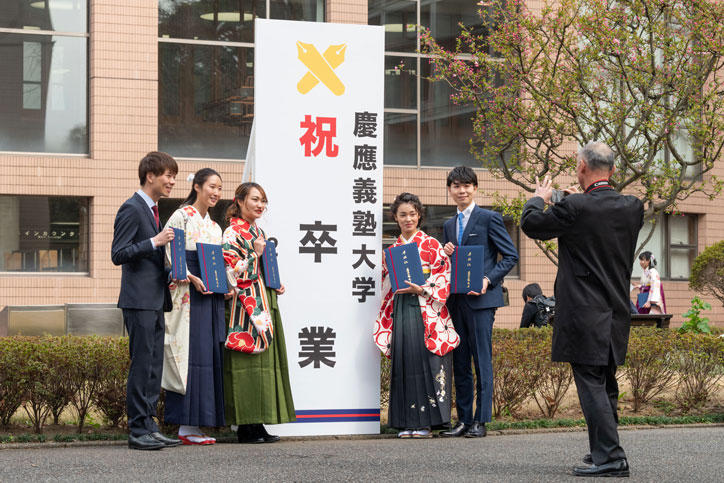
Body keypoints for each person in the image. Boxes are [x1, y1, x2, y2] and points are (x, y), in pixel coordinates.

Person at [520, 141, 643, 477]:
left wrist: (540, 197)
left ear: (581, 167)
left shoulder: (575, 206)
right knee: (605, 383)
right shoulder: (633, 207)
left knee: (590, 383)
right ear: (613, 170)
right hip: (616, 310)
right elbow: (597, 217)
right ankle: (603, 450)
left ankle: (611, 458)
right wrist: (573, 200)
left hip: (584, 311)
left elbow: (531, 224)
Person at [441, 166, 519, 438]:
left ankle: (481, 420)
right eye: (456, 186)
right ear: (450, 190)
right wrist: (446, 253)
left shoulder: (489, 218)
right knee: (460, 361)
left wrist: (487, 280)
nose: (461, 191)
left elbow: (510, 256)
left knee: (481, 360)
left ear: (475, 188)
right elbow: (450, 265)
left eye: (466, 185)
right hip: (456, 301)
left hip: (482, 301)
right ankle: (463, 419)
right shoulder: (448, 225)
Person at [373, 193, 460, 439]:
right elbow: (385, 284)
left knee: (426, 363)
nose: (408, 219)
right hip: (402, 308)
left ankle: (427, 423)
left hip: (426, 308)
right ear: (395, 217)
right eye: (402, 215)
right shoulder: (392, 250)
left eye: (412, 214)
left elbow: (444, 277)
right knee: (405, 363)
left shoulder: (432, 245)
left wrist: (422, 288)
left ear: (419, 215)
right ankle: (406, 422)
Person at [111, 151, 182, 451]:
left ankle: (150, 426)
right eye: (168, 175)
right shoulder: (131, 208)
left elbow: (149, 259)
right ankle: (138, 430)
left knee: (153, 366)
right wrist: (155, 241)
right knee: (142, 365)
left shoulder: (153, 211)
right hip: (138, 301)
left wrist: (170, 272)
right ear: (150, 176)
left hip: (154, 299)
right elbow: (118, 254)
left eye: (174, 176)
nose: (172, 181)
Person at [222, 182, 295, 443]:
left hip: (262, 300)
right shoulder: (231, 232)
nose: (260, 205)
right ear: (239, 201)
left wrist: (274, 282)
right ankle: (245, 426)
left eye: (263, 200)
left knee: (264, 366)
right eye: (254, 199)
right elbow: (232, 272)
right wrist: (255, 255)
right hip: (243, 306)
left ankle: (259, 423)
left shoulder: (258, 231)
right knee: (246, 366)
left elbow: (262, 267)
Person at [161, 168, 230, 445]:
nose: (216, 193)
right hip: (189, 294)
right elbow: (171, 254)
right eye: (212, 186)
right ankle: (185, 426)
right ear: (197, 187)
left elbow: (219, 263)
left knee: (207, 355)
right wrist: (190, 276)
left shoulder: (214, 227)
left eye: (220, 188)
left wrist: (227, 285)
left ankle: (197, 424)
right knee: (188, 356)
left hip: (210, 295)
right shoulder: (181, 216)